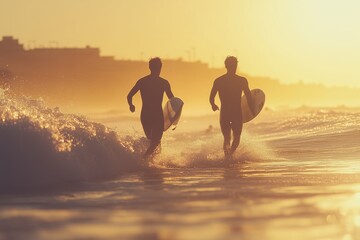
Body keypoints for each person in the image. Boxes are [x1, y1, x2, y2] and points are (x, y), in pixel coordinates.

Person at [127, 57, 174, 157]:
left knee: (153, 142)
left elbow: (129, 95)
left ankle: (153, 166)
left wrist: (131, 105)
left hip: (145, 115)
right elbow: (173, 102)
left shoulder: (142, 81)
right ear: (160, 67)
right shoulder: (163, 83)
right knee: (156, 142)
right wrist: (173, 120)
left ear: (150, 67)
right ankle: (143, 160)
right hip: (157, 115)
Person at [209, 56, 254, 159]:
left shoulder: (220, 80)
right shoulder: (239, 80)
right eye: (232, 65)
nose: (234, 67)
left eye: (234, 65)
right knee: (233, 138)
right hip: (234, 113)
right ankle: (229, 157)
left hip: (227, 113)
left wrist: (213, 104)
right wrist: (251, 109)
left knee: (230, 138)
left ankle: (228, 158)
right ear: (227, 66)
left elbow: (211, 98)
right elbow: (248, 96)